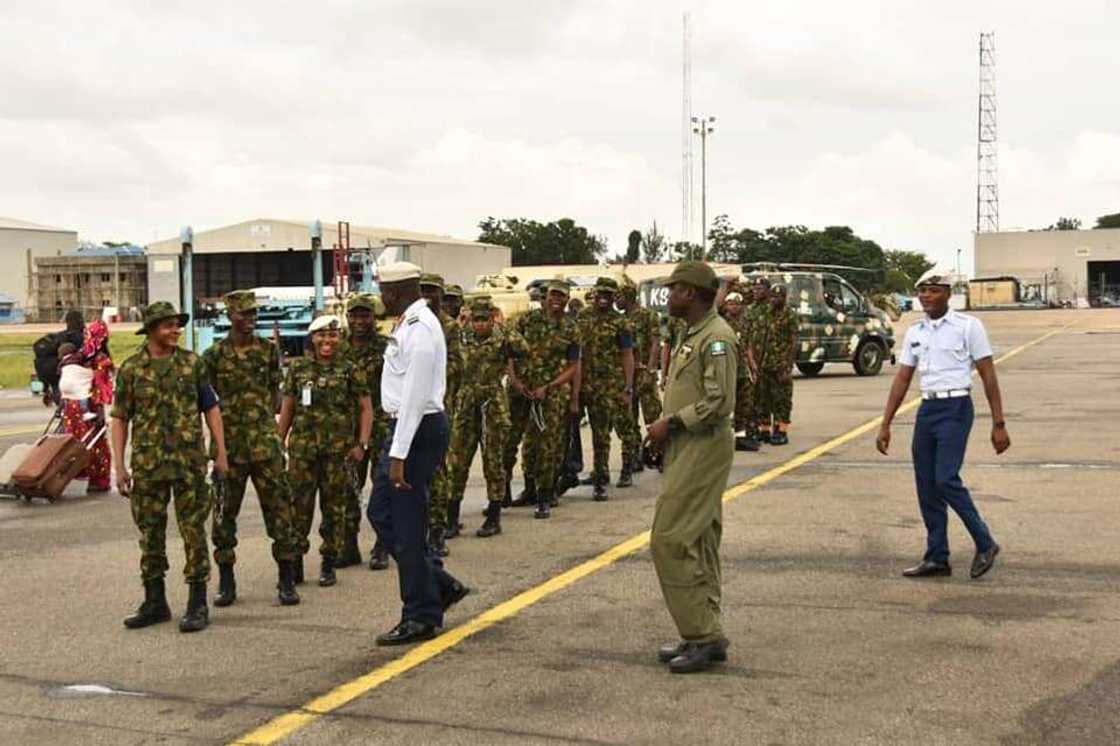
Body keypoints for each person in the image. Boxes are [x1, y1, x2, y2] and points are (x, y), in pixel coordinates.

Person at [877, 269, 1006, 580]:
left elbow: (988, 374)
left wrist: (998, 423)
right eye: (922, 290)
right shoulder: (916, 331)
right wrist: (886, 423)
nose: (926, 296)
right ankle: (937, 557)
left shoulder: (968, 326)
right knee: (926, 485)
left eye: (934, 290)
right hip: (928, 409)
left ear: (948, 293)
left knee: (945, 478)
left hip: (956, 408)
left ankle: (985, 542)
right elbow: (903, 378)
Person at [368, 262, 470, 646]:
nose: (381, 297)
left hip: (416, 429)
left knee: (406, 525)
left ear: (396, 292)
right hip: (405, 429)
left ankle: (420, 615)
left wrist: (399, 454)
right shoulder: (408, 323)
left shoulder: (421, 329)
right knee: (380, 512)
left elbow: (414, 396)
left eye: (383, 291)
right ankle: (438, 584)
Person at [111, 302, 228, 633]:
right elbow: (120, 418)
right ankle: (155, 601)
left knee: (193, 532)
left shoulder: (192, 364)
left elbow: (211, 408)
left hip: (189, 463)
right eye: (168, 325)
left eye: (177, 325)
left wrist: (220, 451)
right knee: (150, 533)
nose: (176, 330)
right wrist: (119, 465)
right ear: (151, 330)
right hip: (148, 465)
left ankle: (197, 602)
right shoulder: (132, 369)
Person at [643, 261, 737, 674]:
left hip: (703, 443)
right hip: (686, 443)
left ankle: (701, 633)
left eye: (674, 289)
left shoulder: (717, 338)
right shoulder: (693, 333)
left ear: (692, 293)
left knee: (670, 538)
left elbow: (720, 401)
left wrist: (672, 423)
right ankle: (704, 631)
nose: (668, 296)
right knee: (698, 539)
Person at [203, 290, 300, 607]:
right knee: (223, 516)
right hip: (229, 448)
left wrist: (266, 426)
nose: (250, 319)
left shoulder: (268, 350)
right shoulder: (214, 356)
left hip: (264, 447)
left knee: (280, 512)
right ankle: (226, 581)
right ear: (230, 315)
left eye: (253, 314)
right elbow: (208, 402)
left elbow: (275, 393)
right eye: (244, 314)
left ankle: (286, 580)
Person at [278, 315, 372, 588]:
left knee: (334, 509)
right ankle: (295, 562)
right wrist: (278, 442)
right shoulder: (298, 369)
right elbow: (288, 407)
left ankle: (329, 562)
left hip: (338, 453)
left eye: (332, 335)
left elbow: (365, 408)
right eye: (321, 335)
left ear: (339, 338)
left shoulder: (350, 369)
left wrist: (362, 443)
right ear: (313, 339)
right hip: (303, 452)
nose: (327, 341)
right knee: (298, 508)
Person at [447, 298, 521, 535]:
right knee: (457, 461)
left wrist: (503, 326)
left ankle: (494, 516)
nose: (479, 324)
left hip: (492, 404)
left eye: (484, 319)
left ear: (491, 319)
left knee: (493, 462)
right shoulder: (461, 337)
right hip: (466, 404)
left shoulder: (502, 338)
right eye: (476, 319)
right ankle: (451, 518)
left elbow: (524, 349)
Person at [506, 280, 581, 517]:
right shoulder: (527, 320)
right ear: (545, 297)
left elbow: (573, 366)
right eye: (553, 295)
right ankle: (522, 490)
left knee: (548, 445)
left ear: (567, 299)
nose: (556, 299)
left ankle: (544, 496)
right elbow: (508, 352)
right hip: (522, 392)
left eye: (561, 296)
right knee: (520, 443)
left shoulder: (571, 329)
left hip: (552, 394)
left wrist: (551, 387)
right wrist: (515, 380)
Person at [337, 293, 391, 571]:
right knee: (348, 487)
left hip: (381, 425)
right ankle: (348, 546)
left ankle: (382, 546)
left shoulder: (387, 347)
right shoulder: (338, 347)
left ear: (373, 317)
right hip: (348, 428)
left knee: (382, 487)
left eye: (365, 315)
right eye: (354, 315)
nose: (359, 321)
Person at [576, 277, 637, 499]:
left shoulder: (621, 323)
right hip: (589, 385)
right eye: (600, 293)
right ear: (594, 293)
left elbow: (627, 355)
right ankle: (600, 477)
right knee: (599, 434)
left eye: (608, 294)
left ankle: (627, 469)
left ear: (614, 296)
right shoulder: (582, 317)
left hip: (614, 385)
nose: (603, 297)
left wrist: (628, 387)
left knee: (625, 429)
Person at [420, 273, 462, 558]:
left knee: (437, 470)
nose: (427, 295)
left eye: (432, 291)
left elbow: (458, 364)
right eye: (423, 290)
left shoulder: (449, 327)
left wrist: (428, 371)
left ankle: (437, 530)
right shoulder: (411, 321)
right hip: (411, 408)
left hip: (437, 406)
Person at [57, 320, 114, 493]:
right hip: (88, 405)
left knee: (74, 440)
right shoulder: (100, 358)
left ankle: (68, 472)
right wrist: (100, 413)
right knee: (96, 443)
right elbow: (98, 387)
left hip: (70, 406)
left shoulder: (80, 353)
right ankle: (98, 479)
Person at [617, 282, 662, 472]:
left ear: (627, 297)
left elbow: (655, 343)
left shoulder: (647, 315)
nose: (616, 301)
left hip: (644, 371)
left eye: (619, 297)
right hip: (628, 374)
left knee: (652, 415)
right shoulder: (620, 320)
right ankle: (635, 455)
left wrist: (650, 370)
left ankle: (660, 452)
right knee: (629, 417)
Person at [750, 284, 799, 446]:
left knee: (782, 399)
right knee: (764, 398)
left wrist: (788, 365)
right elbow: (760, 337)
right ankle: (765, 430)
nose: (774, 300)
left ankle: (781, 430)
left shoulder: (790, 314)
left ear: (784, 298)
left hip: (781, 364)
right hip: (765, 362)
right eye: (772, 296)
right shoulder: (766, 313)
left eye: (777, 297)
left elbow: (793, 341)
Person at [720, 291, 757, 452]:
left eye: (736, 304)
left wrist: (752, 365)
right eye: (730, 304)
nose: (734, 307)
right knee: (726, 404)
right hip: (727, 369)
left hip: (742, 369)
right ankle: (724, 438)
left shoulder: (746, 323)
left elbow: (748, 346)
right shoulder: (721, 324)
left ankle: (741, 437)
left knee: (744, 403)